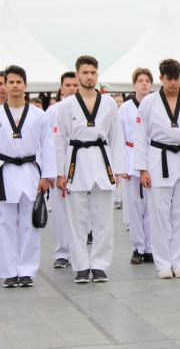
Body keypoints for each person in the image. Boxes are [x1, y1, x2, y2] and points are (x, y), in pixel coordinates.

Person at [134, 59, 180, 279]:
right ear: (161, 79)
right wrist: (142, 169)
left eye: (176, 78)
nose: (173, 83)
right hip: (158, 159)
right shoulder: (148, 102)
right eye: (169, 79)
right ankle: (163, 263)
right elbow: (140, 137)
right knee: (158, 214)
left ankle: (178, 260)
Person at [54, 55, 124, 284]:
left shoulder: (109, 104)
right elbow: (60, 139)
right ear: (77, 75)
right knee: (77, 219)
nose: (89, 76)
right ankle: (81, 266)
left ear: (97, 74)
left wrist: (117, 169)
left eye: (93, 72)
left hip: (102, 162)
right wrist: (60, 172)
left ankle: (100, 265)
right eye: (85, 72)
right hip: (76, 162)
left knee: (103, 218)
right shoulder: (65, 106)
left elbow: (116, 137)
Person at [0, 65, 56, 288]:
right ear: (4, 85)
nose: (14, 85)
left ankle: (26, 270)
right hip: (4, 171)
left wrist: (46, 175)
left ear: (25, 85)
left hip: (31, 171)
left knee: (30, 224)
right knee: (5, 224)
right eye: (10, 82)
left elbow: (47, 146)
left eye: (18, 82)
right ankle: (8, 271)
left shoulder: (39, 115)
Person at [119, 68, 154, 264]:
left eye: (147, 80)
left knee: (151, 206)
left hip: (152, 155)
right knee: (134, 205)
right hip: (131, 156)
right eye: (140, 80)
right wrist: (121, 165)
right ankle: (137, 247)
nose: (144, 84)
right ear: (134, 84)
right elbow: (121, 137)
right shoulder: (125, 108)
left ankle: (150, 247)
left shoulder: (155, 104)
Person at [46, 71, 80, 268]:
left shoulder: (86, 107)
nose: (72, 88)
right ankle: (62, 252)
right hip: (59, 164)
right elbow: (47, 142)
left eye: (75, 85)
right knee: (60, 212)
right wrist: (50, 170)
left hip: (81, 163)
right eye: (68, 85)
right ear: (61, 87)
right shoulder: (52, 111)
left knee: (81, 211)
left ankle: (79, 251)